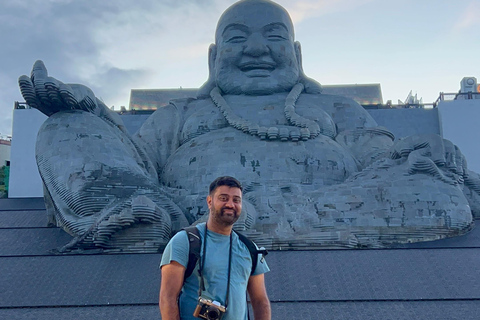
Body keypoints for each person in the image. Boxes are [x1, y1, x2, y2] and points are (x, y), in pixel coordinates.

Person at [18, 0, 478, 251]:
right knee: (63, 129)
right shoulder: (181, 113)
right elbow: (133, 164)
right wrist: (92, 114)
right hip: (178, 200)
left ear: (297, 56)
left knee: (433, 177)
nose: (256, 49)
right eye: (238, 38)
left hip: (319, 202)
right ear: (214, 58)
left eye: (273, 36)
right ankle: (174, 218)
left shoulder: (335, 108)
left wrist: (422, 155)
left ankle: (192, 225)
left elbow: (384, 161)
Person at [159, 176, 271, 320]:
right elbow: (167, 298)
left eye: (236, 200)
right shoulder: (185, 241)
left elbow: (261, 301)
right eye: (223, 198)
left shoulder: (250, 249)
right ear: (210, 201)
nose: (230, 204)